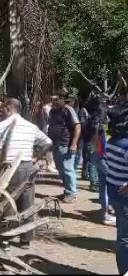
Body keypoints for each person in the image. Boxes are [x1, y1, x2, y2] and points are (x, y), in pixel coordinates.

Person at [0, 98, 53, 249]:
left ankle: (5, 238)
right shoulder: (30, 126)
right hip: (26, 166)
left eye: (4, 108)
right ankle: (26, 239)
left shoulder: (1, 126)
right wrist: (35, 158)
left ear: (9, 109)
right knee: (27, 201)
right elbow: (48, 142)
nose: (2, 111)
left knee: (5, 201)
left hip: (7, 167)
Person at [105, 101, 128, 275]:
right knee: (125, 237)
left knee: (122, 234)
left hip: (115, 192)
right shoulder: (125, 145)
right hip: (123, 194)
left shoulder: (112, 140)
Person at [84, 92, 114, 226]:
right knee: (116, 183)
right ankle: (110, 213)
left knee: (104, 185)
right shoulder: (103, 123)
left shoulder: (92, 118)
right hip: (103, 156)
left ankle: (105, 212)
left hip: (96, 155)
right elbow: (103, 142)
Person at [48, 92, 82, 203]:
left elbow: (77, 126)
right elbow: (52, 126)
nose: (54, 102)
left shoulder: (68, 110)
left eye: (56, 99)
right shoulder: (52, 111)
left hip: (66, 144)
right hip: (55, 144)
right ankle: (67, 191)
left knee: (68, 169)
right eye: (52, 100)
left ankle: (72, 193)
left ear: (62, 99)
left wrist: (74, 144)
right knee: (60, 169)